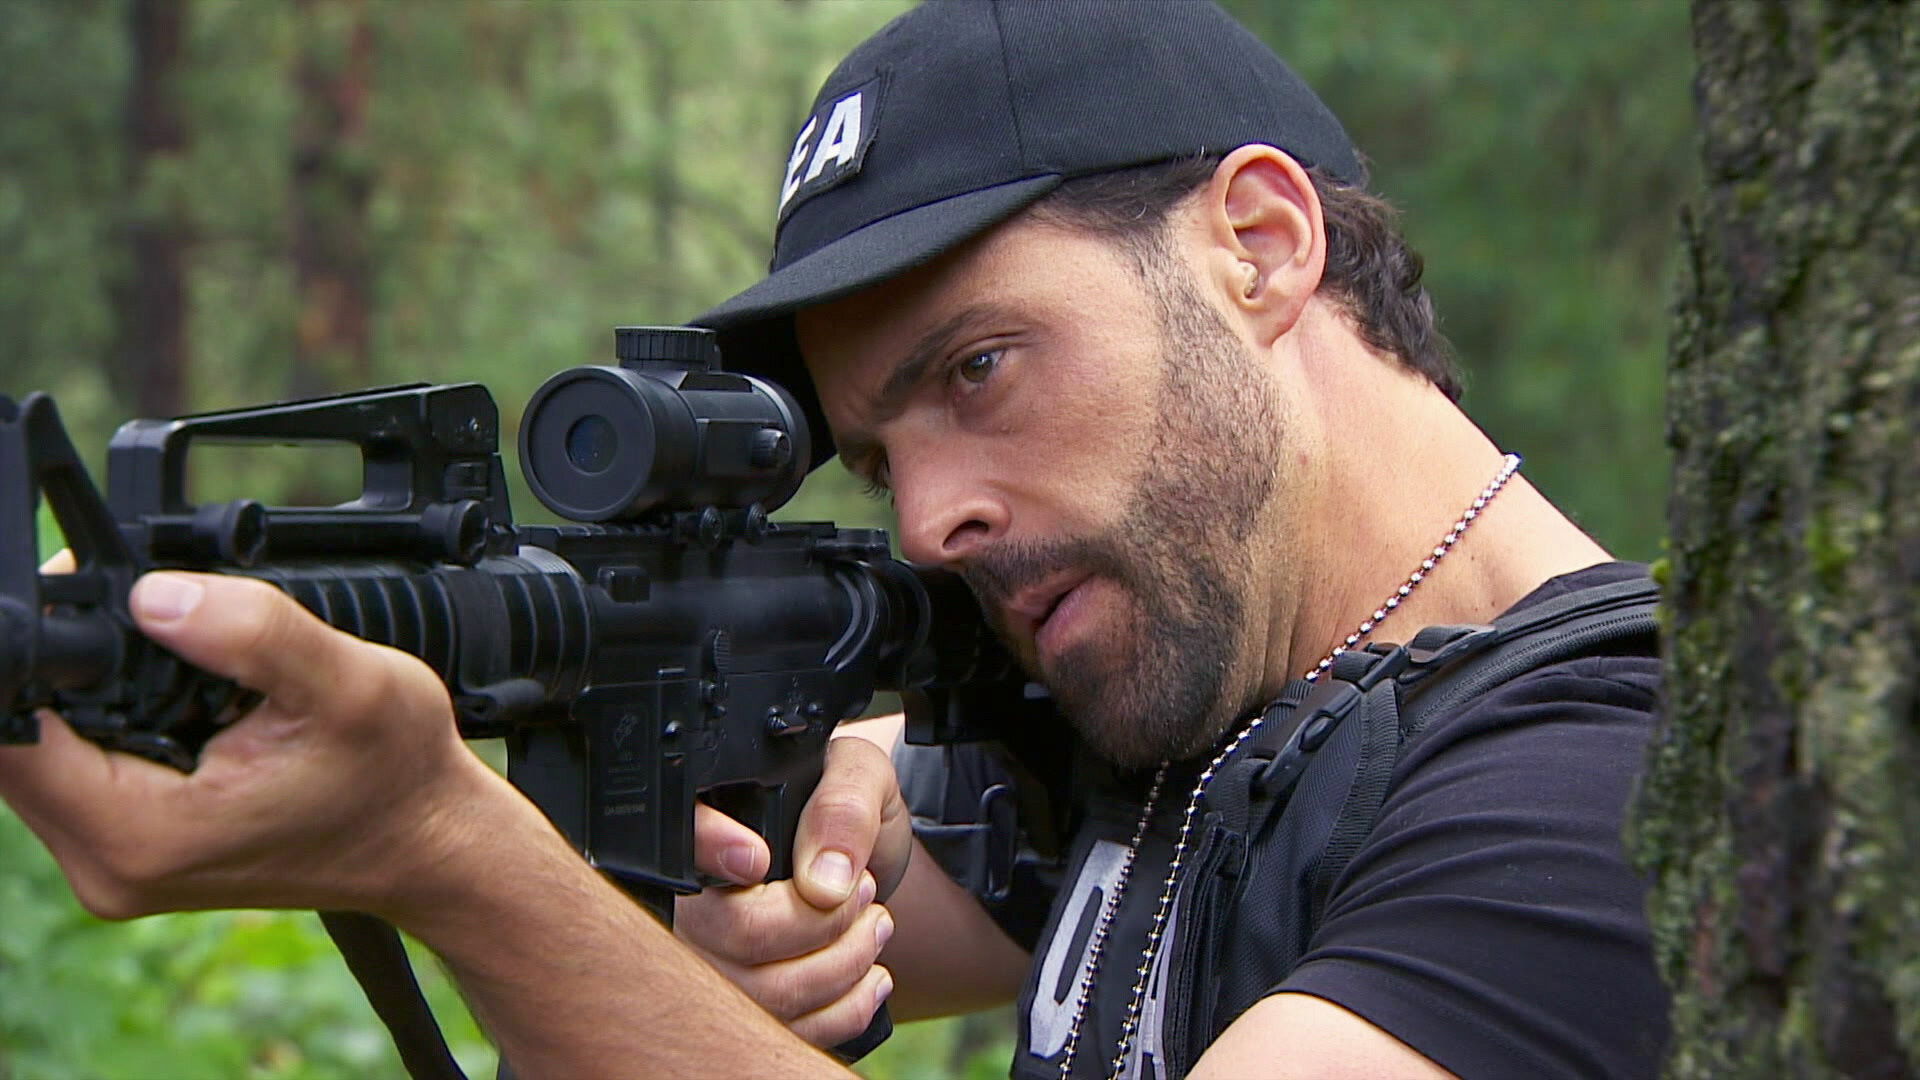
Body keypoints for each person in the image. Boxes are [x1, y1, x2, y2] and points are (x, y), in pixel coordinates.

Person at [0, 3, 1669, 1078]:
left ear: (1260, 241)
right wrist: (734, 878)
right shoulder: (1188, 703)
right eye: (877, 458)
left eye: (981, 368)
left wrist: (441, 849)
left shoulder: (1605, 782)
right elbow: (761, 934)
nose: (930, 525)